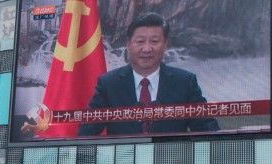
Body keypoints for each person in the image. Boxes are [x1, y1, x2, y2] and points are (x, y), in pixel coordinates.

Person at [78, 13, 219, 137]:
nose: (146, 49)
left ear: (165, 44)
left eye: (154, 42)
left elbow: (208, 130)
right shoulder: (109, 84)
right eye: (140, 42)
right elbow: (87, 133)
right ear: (128, 44)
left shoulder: (185, 82)